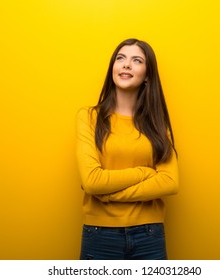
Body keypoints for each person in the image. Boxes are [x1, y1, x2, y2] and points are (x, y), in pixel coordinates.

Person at [75, 38, 179, 260]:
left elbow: (170, 182)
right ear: (113, 67)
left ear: (148, 75)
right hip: (99, 236)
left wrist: (108, 195)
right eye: (120, 58)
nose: (126, 65)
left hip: (149, 235)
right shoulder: (89, 117)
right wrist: (145, 172)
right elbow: (92, 181)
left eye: (137, 60)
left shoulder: (157, 124)